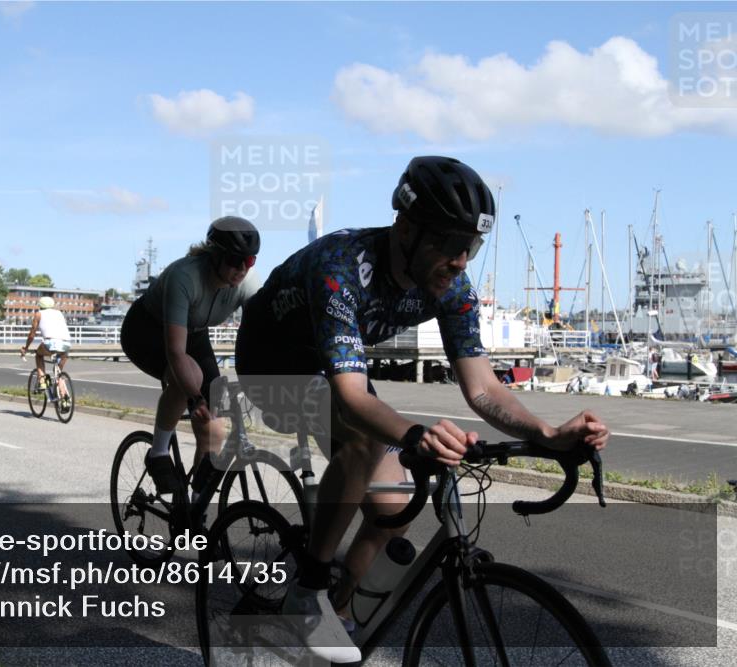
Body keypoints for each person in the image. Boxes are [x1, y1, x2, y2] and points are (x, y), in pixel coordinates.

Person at [236, 156, 610, 663]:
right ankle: (309, 591)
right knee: (365, 438)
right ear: (406, 229)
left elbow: (480, 387)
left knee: (395, 506)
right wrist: (416, 434)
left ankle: (338, 615)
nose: (460, 261)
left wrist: (546, 432)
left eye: (470, 247)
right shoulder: (342, 266)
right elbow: (352, 398)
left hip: (333, 369)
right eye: (449, 244)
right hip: (272, 366)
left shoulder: (451, 285)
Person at [120, 216, 261, 494]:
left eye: (249, 261)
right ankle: (158, 454)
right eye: (235, 260)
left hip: (195, 333)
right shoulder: (184, 277)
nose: (242, 269)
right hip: (147, 332)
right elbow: (175, 351)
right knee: (189, 380)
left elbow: (261, 335)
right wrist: (195, 398)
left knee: (215, 425)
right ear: (215, 255)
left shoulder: (248, 282)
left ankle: (196, 509)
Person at [21, 296, 72, 405]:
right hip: (66, 344)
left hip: (51, 343)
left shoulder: (38, 314)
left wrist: (26, 348)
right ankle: (64, 400)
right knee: (58, 373)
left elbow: (32, 334)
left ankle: (43, 381)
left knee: (39, 355)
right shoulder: (59, 313)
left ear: (40, 306)